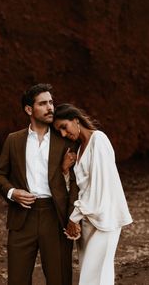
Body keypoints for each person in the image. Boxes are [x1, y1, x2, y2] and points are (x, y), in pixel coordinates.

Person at [0, 84, 78, 285]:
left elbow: (75, 182)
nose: (50, 107)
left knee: (60, 279)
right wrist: (12, 192)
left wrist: (73, 217)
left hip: (55, 217)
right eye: (43, 103)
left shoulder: (64, 139)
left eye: (51, 102)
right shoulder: (13, 140)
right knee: (17, 280)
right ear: (29, 109)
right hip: (22, 218)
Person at [53, 103, 133, 285]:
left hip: (105, 218)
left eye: (64, 127)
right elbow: (78, 188)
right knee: (91, 275)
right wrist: (65, 170)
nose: (64, 134)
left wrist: (74, 217)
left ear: (75, 119)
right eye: (59, 132)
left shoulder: (99, 140)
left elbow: (99, 187)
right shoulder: (80, 148)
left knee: (96, 275)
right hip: (87, 220)